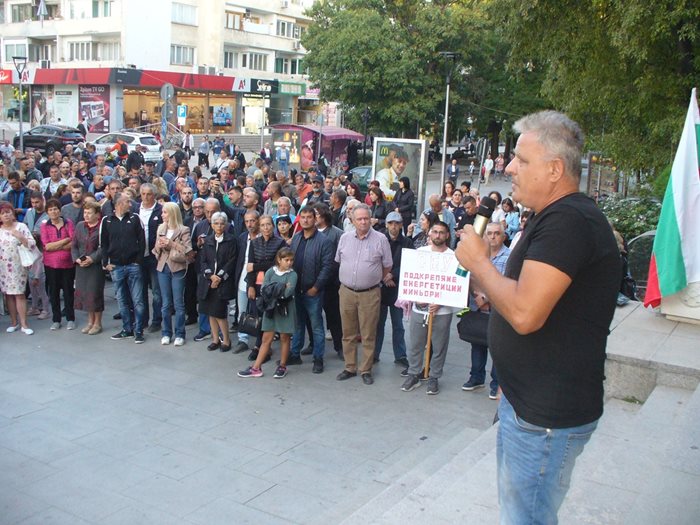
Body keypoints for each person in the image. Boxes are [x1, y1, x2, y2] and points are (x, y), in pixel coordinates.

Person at [455, 110, 620, 523]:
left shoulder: (568, 221)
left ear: (554, 169)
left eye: (520, 159)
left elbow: (526, 314)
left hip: (545, 417)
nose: (508, 167)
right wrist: (492, 286)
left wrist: (480, 263)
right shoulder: (557, 217)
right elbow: (531, 299)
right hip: (526, 404)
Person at [335, 204, 393, 385]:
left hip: (370, 293)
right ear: (352, 220)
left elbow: (387, 265)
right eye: (359, 219)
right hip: (346, 292)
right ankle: (350, 366)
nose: (362, 222)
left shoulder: (381, 239)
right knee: (348, 332)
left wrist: (372, 276)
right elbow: (339, 260)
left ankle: (366, 369)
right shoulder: (344, 238)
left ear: (371, 219)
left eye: (366, 219)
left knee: (368, 333)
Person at [400, 221, 456, 395]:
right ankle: (414, 373)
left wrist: (442, 301)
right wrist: (418, 299)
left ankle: (434, 376)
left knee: (439, 346)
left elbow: (459, 281)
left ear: (447, 235)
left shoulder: (454, 257)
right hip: (420, 308)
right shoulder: (419, 254)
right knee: (416, 344)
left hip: (442, 311)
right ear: (430, 234)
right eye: (435, 232)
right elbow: (411, 278)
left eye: (441, 233)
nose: (438, 235)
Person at [461, 222, 510, 399]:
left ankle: (496, 382)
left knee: (497, 346)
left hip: (498, 309)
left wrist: (486, 297)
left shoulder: (510, 256)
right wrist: (477, 295)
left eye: (497, 233)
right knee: (477, 342)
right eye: (489, 233)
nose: (493, 237)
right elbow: (468, 276)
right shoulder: (477, 255)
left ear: (503, 237)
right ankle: (476, 377)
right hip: (477, 305)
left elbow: (506, 282)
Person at [238, 247, 298, 378]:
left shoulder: (292, 274)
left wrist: (274, 289)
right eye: (286, 260)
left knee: (284, 337)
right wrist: (281, 287)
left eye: (291, 260)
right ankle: (256, 367)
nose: (289, 263)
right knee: (266, 338)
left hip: (285, 309)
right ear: (279, 260)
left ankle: (282, 366)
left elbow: (288, 293)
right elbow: (264, 290)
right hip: (271, 308)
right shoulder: (271, 271)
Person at [288, 207, 334, 372]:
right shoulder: (296, 238)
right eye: (303, 217)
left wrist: (316, 287)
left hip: (313, 291)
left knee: (316, 326)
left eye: (309, 217)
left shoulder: (324, 241)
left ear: (315, 219)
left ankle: (318, 358)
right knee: (298, 324)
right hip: (296, 290)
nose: (306, 220)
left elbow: (327, 268)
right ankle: (295, 355)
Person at [102, 193, 147, 343]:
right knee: (122, 300)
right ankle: (127, 329)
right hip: (116, 266)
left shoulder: (135, 218)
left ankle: (139, 330)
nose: (130, 204)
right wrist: (105, 263)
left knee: (138, 300)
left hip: (133, 265)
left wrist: (138, 261)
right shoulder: (107, 220)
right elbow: (104, 243)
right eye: (127, 201)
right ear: (119, 204)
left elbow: (142, 241)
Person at [375, 211, 413, 367]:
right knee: (378, 324)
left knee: (398, 325)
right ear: (386, 224)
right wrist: (385, 276)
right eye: (391, 223)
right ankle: (374, 354)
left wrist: (393, 275)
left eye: (397, 223)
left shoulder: (407, 243)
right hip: (381, 288)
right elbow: (374, 260)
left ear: (401, 225)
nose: (394, 226)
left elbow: (410, 263)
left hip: (398, 289)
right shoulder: (379, 240)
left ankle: (400, 355)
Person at [245, 215, 286, 360]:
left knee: (267, 317)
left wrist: (256, 266)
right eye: (262, 225)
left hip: (272, 285)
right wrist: (250, 286)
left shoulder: (280, 243)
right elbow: (249, 267)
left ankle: (262, 347)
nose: (266, 228)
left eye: (268, 225)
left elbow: (277, 264)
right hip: (256, 284)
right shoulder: (254, 243)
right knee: (258, 316)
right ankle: (259, 345)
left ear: (273, 226)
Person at [153, 202, 193, 346]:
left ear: (172, 213)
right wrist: (159, 245)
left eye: (165, 212)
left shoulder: (184, 229)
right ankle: (166, 333)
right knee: (165, 303)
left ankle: (180, 333)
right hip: (162, 267)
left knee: (178, 303)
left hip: (177, 268)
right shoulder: (160, 228)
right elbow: (155, 251)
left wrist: (171, 244)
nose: (162, 215)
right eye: (162, 212)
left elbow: (188, 251)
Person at [198, 211, 237, 352]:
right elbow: (203, 261)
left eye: (222, 223)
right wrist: (210, 276)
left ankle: (226, 340)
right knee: (210, 312)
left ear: (226, 225)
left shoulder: (231, 240)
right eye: (216, 223)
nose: (219, 226)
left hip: (222, 282)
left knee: (219, 313)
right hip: (208, 282)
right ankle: (215, 339)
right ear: (212, 225)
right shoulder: (208, 240)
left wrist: (219, 277)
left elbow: (231, 261)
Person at [0, 201, 36, 335]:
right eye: (3, 213)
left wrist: (22, 238)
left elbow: (32, 244)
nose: (6, 215)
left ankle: (24, 324)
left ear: (13, 213)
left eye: (8, 212)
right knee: (8, 295)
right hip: (3, 268)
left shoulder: (21, 227)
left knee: (19, 294)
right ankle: (13, 322)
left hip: (18, 266)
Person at [40, 199, 76, 331]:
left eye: (55, 209)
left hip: (67, 264)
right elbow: (47, 246)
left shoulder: (68, 223)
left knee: (68, 292)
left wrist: (58, 244)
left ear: (59, 210)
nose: (53, 211)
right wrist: (65, 240)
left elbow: (73, 242)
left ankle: (70, 318)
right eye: (50, 209)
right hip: (51, 265)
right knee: (54, 293)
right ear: (47, 212)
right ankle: (56, 319)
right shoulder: (44, 226)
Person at [71, 201, 105, 334]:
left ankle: (97, 323)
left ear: (97, 214)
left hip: (95, 266)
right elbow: (74, 245)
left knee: (95, 293)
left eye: (89, 213)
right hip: (81, 266)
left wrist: (92, 258)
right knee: (85, 294)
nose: (86, 215)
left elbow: (104, 247)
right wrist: (77, 259)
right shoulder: (80, 226)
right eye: (85, 212)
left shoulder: (102, 227)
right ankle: (90, 322)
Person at [137, 184, 164, 333]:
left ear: (154, 195)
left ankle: (156, 320)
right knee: (140, 291)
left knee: (156, 292)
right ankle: (142, 319)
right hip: (139, 257)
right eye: (143, 194)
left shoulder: (160, 211)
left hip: (155, 257)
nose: (146, 197)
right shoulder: (135, 210)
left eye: (149, 194)